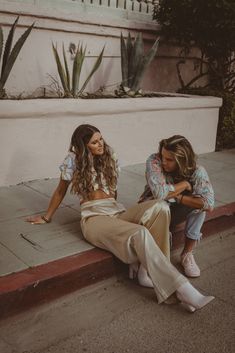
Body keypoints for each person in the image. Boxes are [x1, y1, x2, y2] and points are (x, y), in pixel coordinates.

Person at [27, 124, 214, 312]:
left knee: (161, 207)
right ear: (83, 146)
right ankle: (181, 289)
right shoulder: (73, 160)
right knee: (140, 232)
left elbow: (114, 193)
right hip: (94, 217)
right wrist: (46, 216)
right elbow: (60, 191)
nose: (100, 144)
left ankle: (146, 272)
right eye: (94, 142)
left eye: (100, 139)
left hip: (116, 212)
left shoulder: (110, 156)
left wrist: (120, 224)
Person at [139, 135, 214, 278]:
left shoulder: (197, 171)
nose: (163, 162)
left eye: (169, 159)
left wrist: (179, 198)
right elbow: (160, 193)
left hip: (174, 209)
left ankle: (187, 254)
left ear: (182, 160)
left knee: (200, 207)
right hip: (150, 211)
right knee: (163, 204)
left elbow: (209, 204)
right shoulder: (154, 161)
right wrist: (185, 185)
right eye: (163, 156)